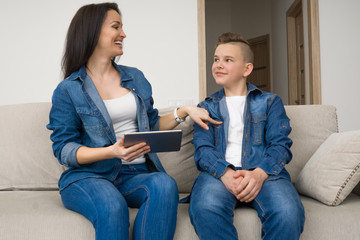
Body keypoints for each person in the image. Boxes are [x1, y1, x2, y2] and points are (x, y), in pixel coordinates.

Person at [47, 3, 220, 240]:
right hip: (89, 176)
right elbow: (64, 150)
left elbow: (151, 125)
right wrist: (112, 151)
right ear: (92, 31)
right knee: (112, 205)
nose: (123, 34)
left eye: (122, 27)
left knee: (164, 184)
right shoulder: (68, 90)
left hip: (135, 173)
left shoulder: (135, 77)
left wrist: (185, 110)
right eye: (115, 27)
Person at [188, 32, 305, 240]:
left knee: (288, 213)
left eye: (228, 60)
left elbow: (280, 146)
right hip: (219, 174)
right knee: (205, 208)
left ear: (247, 69)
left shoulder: (270, 102)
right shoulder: (205, 107)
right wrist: (225, 174)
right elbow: (202, 150)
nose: (219, 65)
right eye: (216, 60)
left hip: (265, 173)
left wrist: (259, 175)